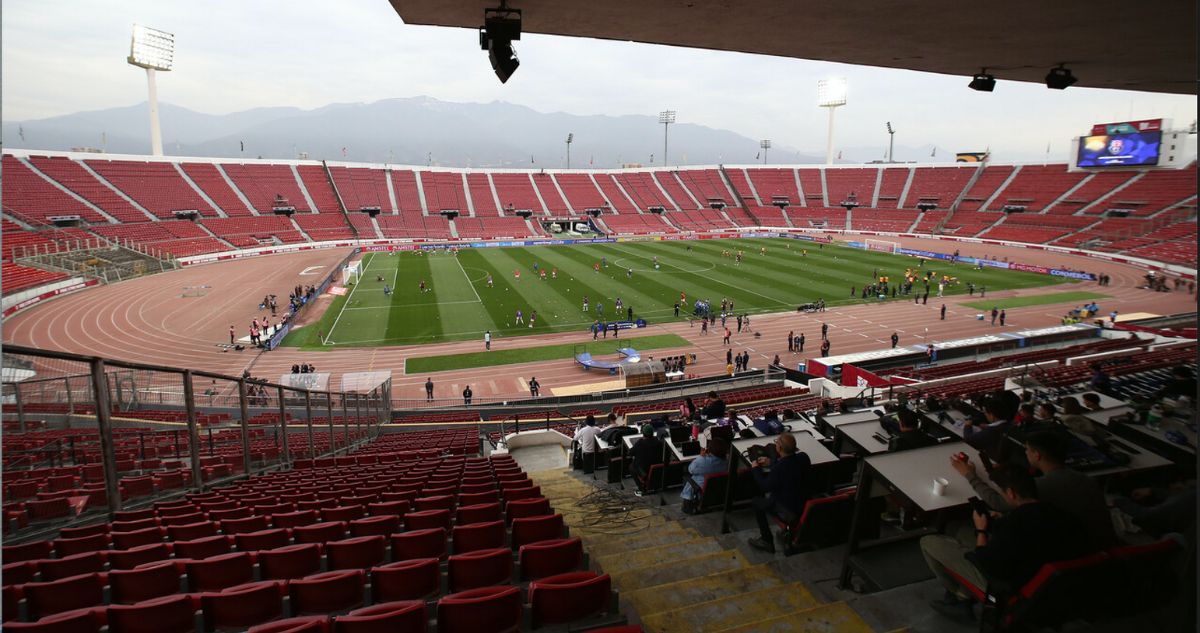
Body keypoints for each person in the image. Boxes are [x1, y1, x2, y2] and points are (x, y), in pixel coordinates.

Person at [921, 465, 1093, 622]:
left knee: (928, 542)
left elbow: (985, 563)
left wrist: (981, 530)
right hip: (1056, 585)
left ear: (1010, 493)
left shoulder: (1012, 525)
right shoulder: (1062, 514)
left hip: (1010, 588)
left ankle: (960, 597)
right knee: (957, 530)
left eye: (1001, 492)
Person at [951, 431, 1118, 551]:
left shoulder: (1038, 486)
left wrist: (969, 475)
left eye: (1027, 449)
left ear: (1037, 455)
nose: (1026, 452)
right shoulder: (1087, 480)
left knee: (960, 530)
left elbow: (997, 503)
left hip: (1071, 557)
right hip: (1103, 550)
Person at [747, 433, 811, 553]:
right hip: (802, 502)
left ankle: (766, 540)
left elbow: (765, 486)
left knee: (756, 502)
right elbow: (788, 464)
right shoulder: (804, 457)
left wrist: (755, 469)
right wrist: (771, 462)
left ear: (779, 448)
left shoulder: (779, 468)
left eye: (776, 443)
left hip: (788, 510)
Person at [681, 437, 729, 513]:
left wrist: (701, 457)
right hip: (718, 493)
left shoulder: (703, 461)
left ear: (709, 449)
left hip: (702, 493)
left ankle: (688, 504)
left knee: (691, 477)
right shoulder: (727, 462)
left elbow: (691, 469)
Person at [629, 424, 667, 495]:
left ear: (643, 434)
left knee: (632, 466)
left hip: (645, 471)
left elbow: (630, 453)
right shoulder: (659, 443)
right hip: (658, 470)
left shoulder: (640, 443)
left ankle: (641, 488)